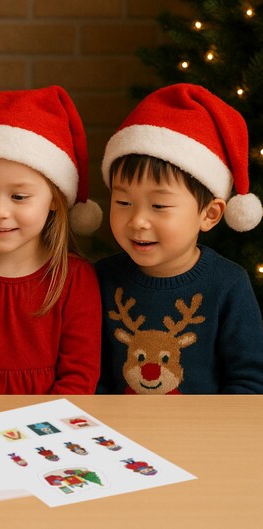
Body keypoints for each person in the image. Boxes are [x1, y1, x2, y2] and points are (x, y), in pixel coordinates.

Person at [97, 83, 263, 394]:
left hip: (201, 437)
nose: (137, 221)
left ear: (209, 215)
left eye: (159, 206)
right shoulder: (102, 278)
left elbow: (250, 383)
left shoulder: (229, 285)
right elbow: (94, 376)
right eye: (123, 203)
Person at [0, 86, 103, 394]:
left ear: (55, 200)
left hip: (48, 431)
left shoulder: (74, 280)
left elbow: (79, 379)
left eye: (19, 196)